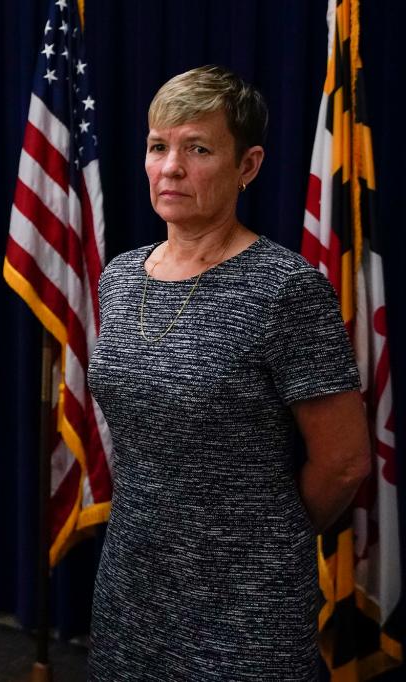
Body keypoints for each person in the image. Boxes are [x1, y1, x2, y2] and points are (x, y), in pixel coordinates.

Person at [86, 65, 372, 680]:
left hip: (247, 604)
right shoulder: (121, 277)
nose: (171, 168)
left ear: (247, 165)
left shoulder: (286, 289)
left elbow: (344, 461)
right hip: (132, 586)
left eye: (198, 149)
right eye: (158, 147)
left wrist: (260, 539)